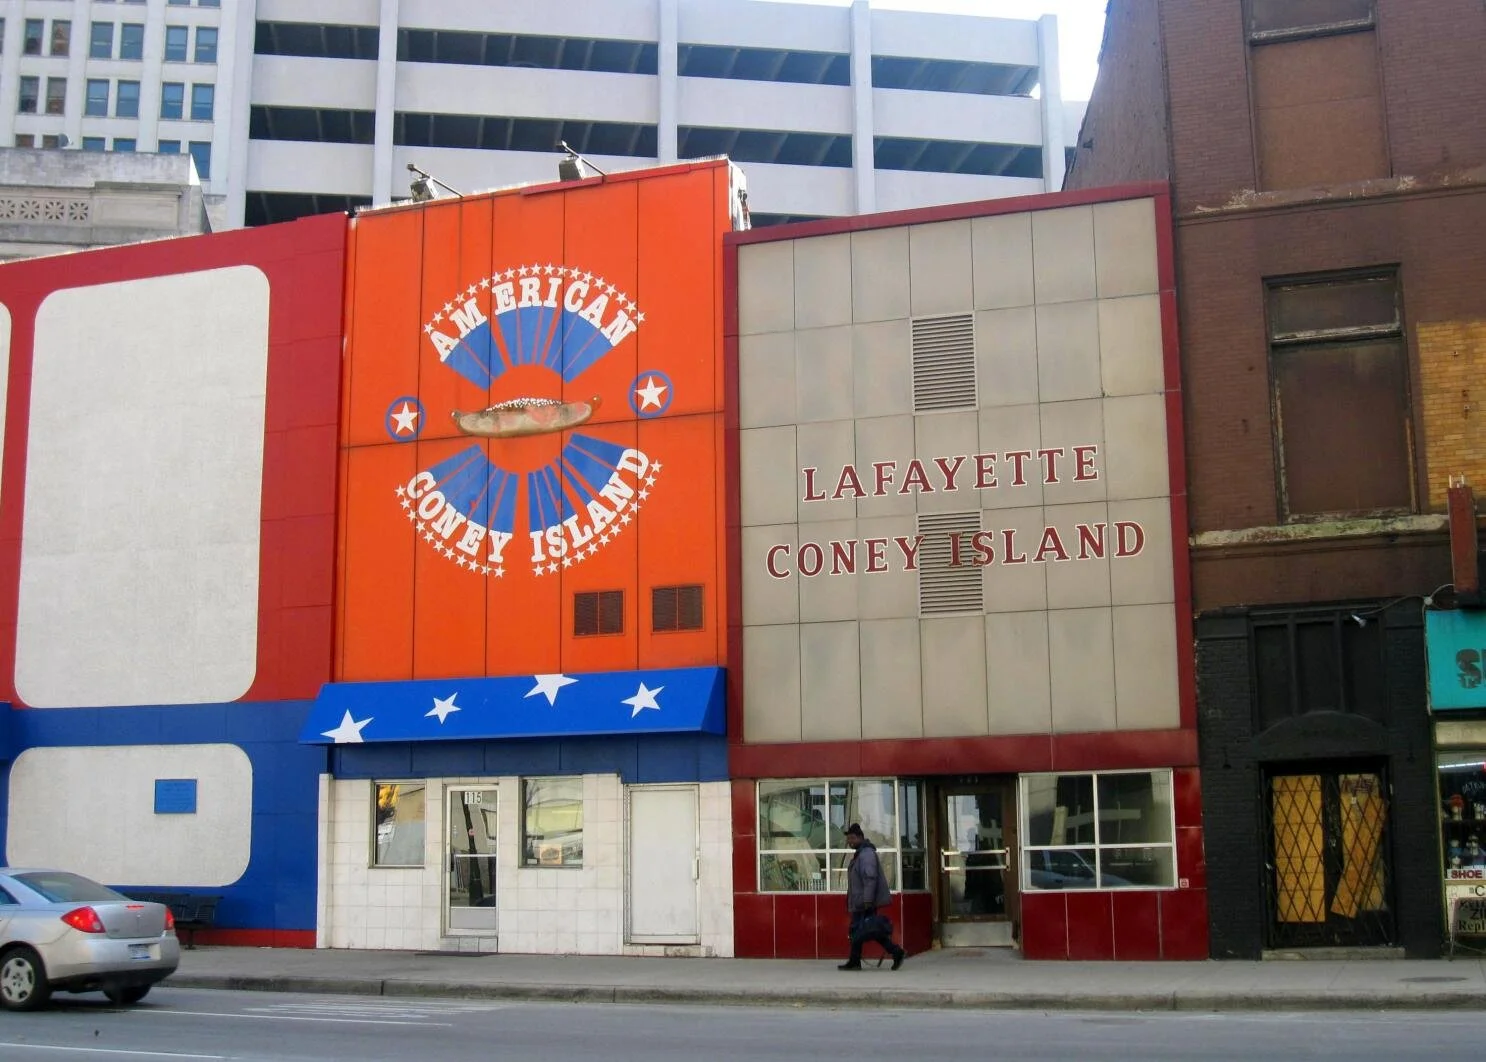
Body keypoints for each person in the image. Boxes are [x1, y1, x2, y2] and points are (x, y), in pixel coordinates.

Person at [839, 822, 906, 971]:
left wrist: (867, 900)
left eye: (852, 838)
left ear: (861, 838)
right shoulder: (860, 854)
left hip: (864, 902)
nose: (849, 842)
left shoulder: (866, 854)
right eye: (848, 839)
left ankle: (858, 961)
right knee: (867, 930)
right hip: (861, 900)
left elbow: (870, 878)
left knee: (861, 929)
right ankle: (857, 961)